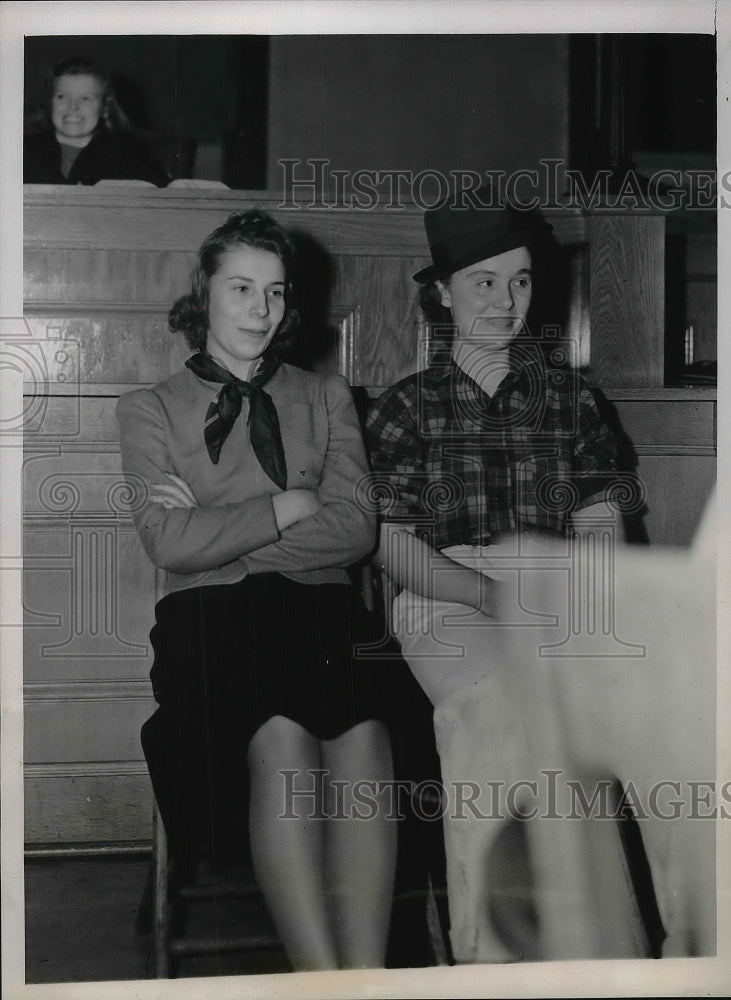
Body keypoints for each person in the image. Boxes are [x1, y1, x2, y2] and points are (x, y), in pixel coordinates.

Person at [116, 209, 416, 971]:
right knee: (281, 739)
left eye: (275, 293)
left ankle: (368, 978)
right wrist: (284, 505)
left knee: (367, 737)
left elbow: (354, 531)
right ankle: (322, 982)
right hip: (210, 618)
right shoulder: (149, 408)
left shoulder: (324, 394)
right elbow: (167, 544)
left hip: (321, 607)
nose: (260, 309)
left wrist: (218, 522)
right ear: (204, 295)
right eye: (241, 288)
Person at [366, 188, 623, 960]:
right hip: (445, 596)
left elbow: (600, 525)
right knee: (494, 710)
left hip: (554, 594)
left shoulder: (573, 402)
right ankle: (495, 959)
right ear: (441, 294)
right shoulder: (406, 408)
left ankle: (596, 955)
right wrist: (488, 594)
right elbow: (391, 545)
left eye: (520, 280)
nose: (506, 300)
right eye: (483, 281)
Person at [24, 56, 169, 186]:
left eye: (85, 98)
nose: (73, 106)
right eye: (62, 97)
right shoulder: (25, 150)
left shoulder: (130, 153)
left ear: (105, 108)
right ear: (50, 103)